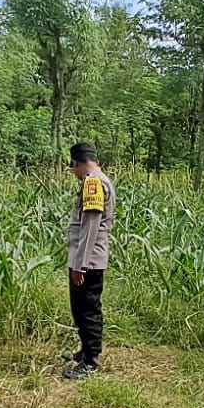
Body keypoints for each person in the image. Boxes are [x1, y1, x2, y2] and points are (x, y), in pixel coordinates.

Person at [63, 142, 115, 380]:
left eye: (72, 167)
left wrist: (80, 265)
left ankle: (91, 361)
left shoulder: (93, 182)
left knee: (88, 310)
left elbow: (90, 227)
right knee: (82, 308)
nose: (73, 173)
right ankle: (85, 352)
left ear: (79, 163)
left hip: (89, 261)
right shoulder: (98, 179)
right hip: (88, 258)